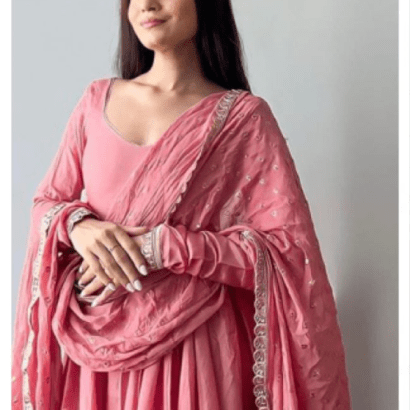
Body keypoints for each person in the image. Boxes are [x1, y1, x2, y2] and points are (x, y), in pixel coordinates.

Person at [11, 0, 353, 409]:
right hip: (98, 356)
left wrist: (165, 247)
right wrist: (78, 226)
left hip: (195, 349)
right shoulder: (95, 101)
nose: (147, 5)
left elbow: (287, 255)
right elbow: (47, 203)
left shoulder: (242, 119)